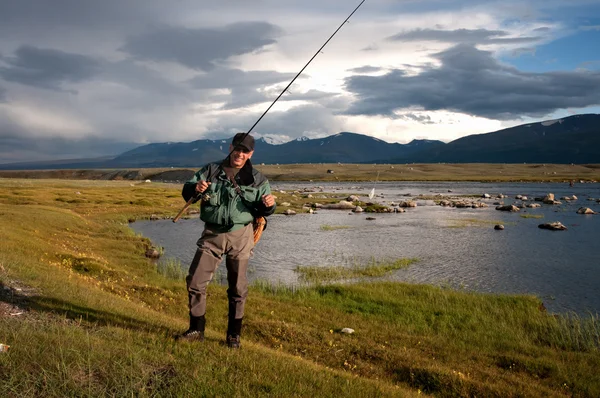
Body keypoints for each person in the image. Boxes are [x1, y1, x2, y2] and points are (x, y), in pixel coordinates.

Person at [176, 133, 276, 348]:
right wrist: (196, 189)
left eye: (244, 151)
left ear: (251, 154)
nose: (239, 154)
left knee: (238, 288)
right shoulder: (211, 170)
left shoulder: (258, 179)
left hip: (241, 236)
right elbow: (188, 191)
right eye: (237, 149)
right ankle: (196, 329)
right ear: (230, 148)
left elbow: (265, 209)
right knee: (195, 282)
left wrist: (269, 205)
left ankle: (233, 336)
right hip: (212, 235)